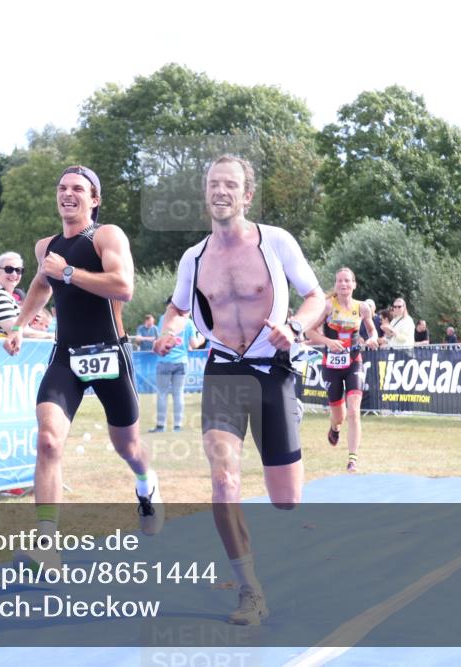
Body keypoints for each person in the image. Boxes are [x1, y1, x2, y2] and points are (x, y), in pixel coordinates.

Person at [154, 155, 325, 626]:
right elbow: (177, 308)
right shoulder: (194, 258)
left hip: (273, 372)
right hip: (224, 372)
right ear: (206, 193)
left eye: (231, 185)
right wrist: (169, 329)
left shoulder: (277, 243)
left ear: (247, 195)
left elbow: (317, 298)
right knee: (224, 479)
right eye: (214, 184)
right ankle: (250, 590)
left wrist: (294, 326)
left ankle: (289, 443)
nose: (221, 191)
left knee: (286, 500)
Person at [3, 165, 164, 572]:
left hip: (110, 351)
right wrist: (20, 324)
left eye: (78, 188)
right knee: (48, 441)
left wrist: (69, 273)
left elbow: (123, 286)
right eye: (62, 188)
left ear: (94, 199)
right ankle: (46, 544)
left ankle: (147, 485)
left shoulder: (107, 235)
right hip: (66, 356)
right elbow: (42, 284)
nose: (68, 194)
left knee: (128, 447)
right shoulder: (46, 247)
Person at [305, 267, 378, 474]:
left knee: (354, 410)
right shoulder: (328, 306)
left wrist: (372, 338)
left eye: (347, 280)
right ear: (336, 285)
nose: (344, 284)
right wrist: (329, 341)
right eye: (340, 281)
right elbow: (310, 331)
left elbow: (372, 330)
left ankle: (352, 459)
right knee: (339, 416)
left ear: (354, 284)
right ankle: (335, 427)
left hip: (354, 362)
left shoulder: (362, 308)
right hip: (331, 366)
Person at [150, 298, 203, 433]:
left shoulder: (164, 319)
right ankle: (177, 426)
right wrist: (203, 337)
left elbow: (160, 339)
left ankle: (161, 426)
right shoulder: (189, 323)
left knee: (162, 394)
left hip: (164, 361)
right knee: (178, 394)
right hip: (181, 362)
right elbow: (194, 344)